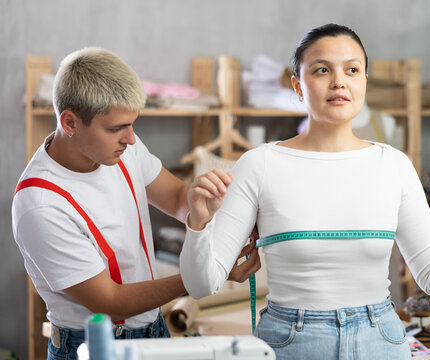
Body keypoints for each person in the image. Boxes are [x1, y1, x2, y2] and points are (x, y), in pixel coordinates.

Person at [180, 24, 430, 359]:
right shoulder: (259, 165)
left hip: (380, 340)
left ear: (363, 81)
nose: (338, 81)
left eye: (352, 70)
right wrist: (198, 223)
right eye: (321, 70)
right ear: (297, 85)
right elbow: (203, 286)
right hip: (290, 343)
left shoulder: (394, 166)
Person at [11, 47, 260, 360]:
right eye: (116, 128)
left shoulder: (121, 146)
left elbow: (175, 198)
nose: (130, 139)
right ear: (70, 123)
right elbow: (110, 301)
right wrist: (208, 274)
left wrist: (203, 204)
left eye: (132, 124)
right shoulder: (41, 204)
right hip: (94, 345)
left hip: (154, 326)